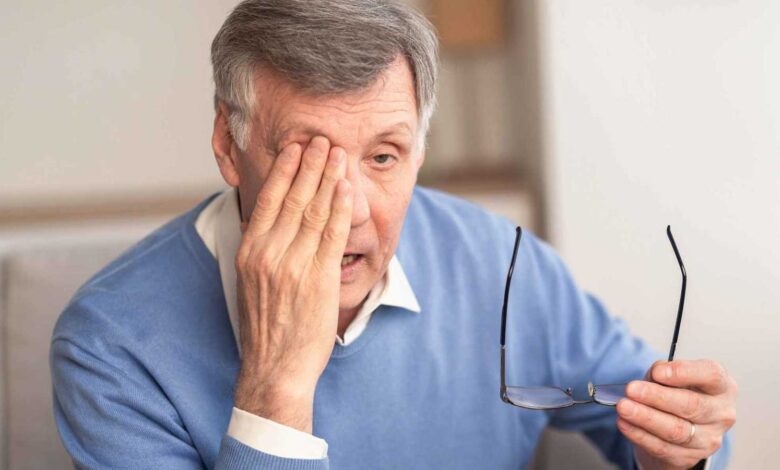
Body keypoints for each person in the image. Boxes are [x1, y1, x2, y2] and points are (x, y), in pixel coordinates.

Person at [50, 1, 737, 468]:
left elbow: (678, 440)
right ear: (229, 147)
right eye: (306, 161)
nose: (350, 211)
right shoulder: (110, 345)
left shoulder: (502, 264)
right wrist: (278, 386)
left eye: (383, 157)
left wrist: (681, 446)